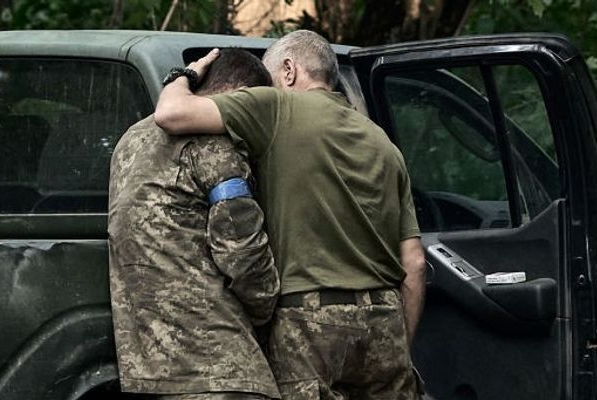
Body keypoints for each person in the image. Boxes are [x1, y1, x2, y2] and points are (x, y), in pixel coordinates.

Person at [153, 31, 427, 400]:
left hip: (308, 324)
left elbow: (171, 114)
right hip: (384, 321)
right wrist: (397, 347)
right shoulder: (384, 144)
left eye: (267, 80)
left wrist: (183, 75)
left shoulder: (276, 108)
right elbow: (415, 264)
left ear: (288, 69)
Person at [107, 49, 282, 400]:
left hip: (146, 368)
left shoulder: (130, 141)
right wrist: (269, 306)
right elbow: (242, 253)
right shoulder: (216, 146)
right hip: (219, 368)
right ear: (241, 97)